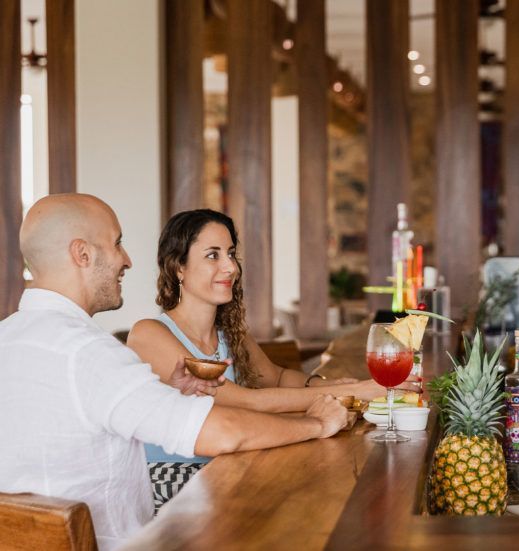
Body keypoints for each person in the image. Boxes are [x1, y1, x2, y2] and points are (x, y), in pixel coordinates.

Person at [0, 194, 349, 550]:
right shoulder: (89, 353)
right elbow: (222, 433)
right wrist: (317, 424)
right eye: (117, 243)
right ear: (82, 254)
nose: (127, 260)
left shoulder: (7, 339)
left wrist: (167, 394)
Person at [125, 209, 385, 509]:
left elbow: (275, 377)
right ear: (178, 267)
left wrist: (325, 383)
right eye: (213, 255)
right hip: (176, 476)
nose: (230, 267)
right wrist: (353, 392)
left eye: (231, 254)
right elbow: (243, 402)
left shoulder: (230, 333)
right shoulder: (149, 334)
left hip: (233, 460)